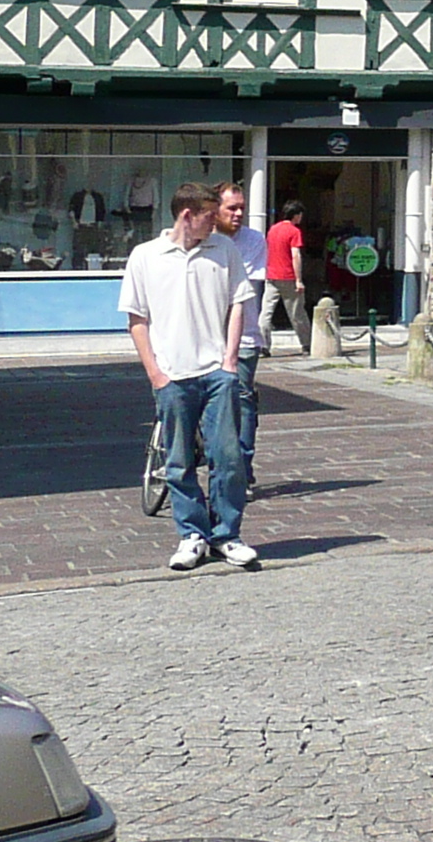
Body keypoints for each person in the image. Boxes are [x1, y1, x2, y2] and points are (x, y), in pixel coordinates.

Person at [119, 181, 256, 571]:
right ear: (187, 215)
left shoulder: (223, 250)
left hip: (216, 372)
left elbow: (237, 304)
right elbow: (137, 319)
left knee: (228, 458)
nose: (217, 222)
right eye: (210, 216)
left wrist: (230, 361)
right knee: (178, 461)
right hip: (173, 375)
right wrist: (155, 373)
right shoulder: (146, 256)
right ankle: (192, 534)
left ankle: (227, 534)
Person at [214, 184, 270, 470]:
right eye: (231, 208)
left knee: (243, 402)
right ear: (215, 209)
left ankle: (242, 469)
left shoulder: (253, 240)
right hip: (205, 336)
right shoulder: (203, 238)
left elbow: (245, 287)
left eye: (241, 209)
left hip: (245, 336)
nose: (238, 214)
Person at [265, 199, 308, 351]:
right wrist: (299, 280)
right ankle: (306, 344)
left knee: (265, 313)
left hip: (271, 275)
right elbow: (295, 255)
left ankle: (264, 345)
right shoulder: (294, 232)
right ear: (296, 215)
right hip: (288, 276)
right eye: (300, 215)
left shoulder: (272, 229)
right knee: (297, 314)